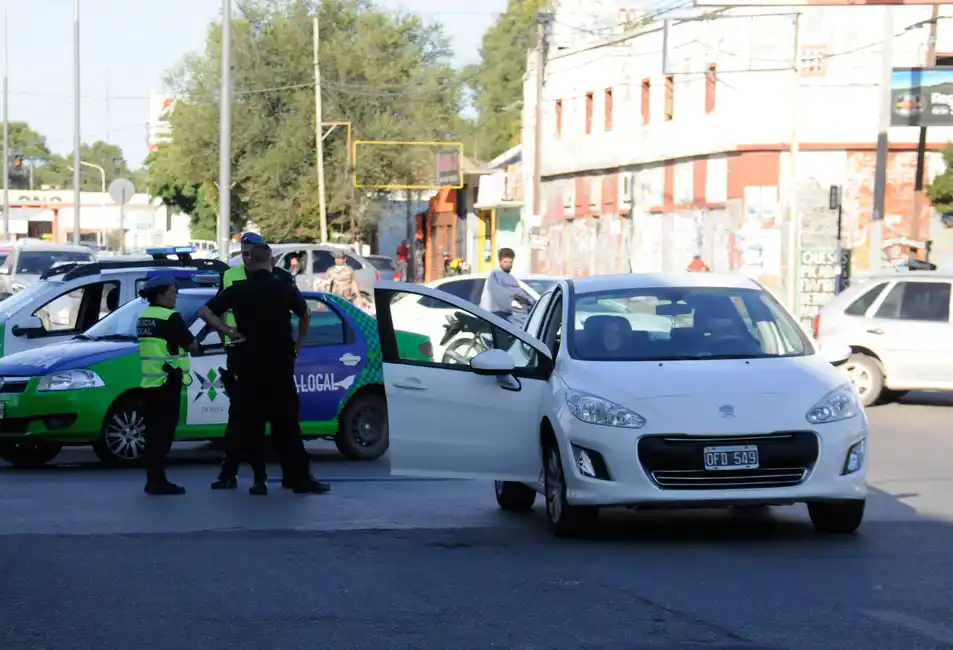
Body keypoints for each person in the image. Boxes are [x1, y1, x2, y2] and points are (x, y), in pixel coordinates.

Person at [199, 243, 330, 496]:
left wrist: (230, 332)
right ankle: (297, 478)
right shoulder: (284, 288)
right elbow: (306, 314)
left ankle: (259, 480)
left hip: (249, 365)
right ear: (270, 262)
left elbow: (205, 312)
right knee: (288, 425)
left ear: (248, 263)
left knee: (253, 424)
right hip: (279, 365)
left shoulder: (239, 290)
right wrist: (298, 345)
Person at [213, 232, 299, 490]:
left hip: (274, 356)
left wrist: (294, 346)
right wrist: (227, 338)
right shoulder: (231, 276)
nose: (245, 256)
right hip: (242, 353)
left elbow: (298, 311)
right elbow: (217, 311)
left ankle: (290, 476)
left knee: (281, 421)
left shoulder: (281, 277)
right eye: (243, 251)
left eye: (249, 251)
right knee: (240, 419)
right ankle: (231, 474)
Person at [136, 276, 201, 496]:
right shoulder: (170, 318)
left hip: (150, 381)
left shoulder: (144, 317)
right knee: (163, 434)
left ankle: (152, 479)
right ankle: (158, 482)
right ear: (160, 295)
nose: (175, 297)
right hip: (167, 382)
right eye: (173, 293)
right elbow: (192, 345)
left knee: (153, 433)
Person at [479, 247, 533, 322]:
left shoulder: (495, 275)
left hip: (490, 314)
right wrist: (532, 303)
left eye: (510, 262)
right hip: (496, 314)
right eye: (505, 262)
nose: (508, 264)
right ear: (500, 262)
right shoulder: (498, 274)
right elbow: (518, 293)